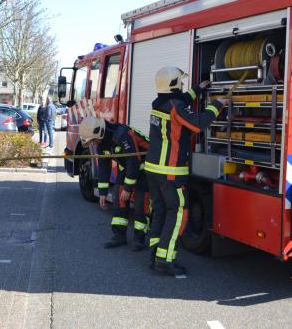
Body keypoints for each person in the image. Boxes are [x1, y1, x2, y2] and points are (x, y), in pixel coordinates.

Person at [145, 66, 227, 277]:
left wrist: (198, 89)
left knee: (160, 212)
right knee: (176, 213)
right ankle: (165, 260)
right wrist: (218, 104)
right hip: (170, 172)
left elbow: (181, 101)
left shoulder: (160, 103)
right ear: (173, 84)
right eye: (180, 81)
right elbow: (198, 123)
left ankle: (155, 253)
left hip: (154, 171)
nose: (182, 84)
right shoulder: (175, 106)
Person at [79, 115, 150, 251]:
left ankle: (139, 240)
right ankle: (119, 236)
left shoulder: (122, 134)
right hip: (129, 167)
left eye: (93, 141)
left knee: (141, 204)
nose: (92, 144)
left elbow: (134, 161)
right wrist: (103, 193)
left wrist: (128, 188)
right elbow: (104, 167)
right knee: (119, 199)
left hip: (145, 166)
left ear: (98, 132)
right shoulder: (102, 142)